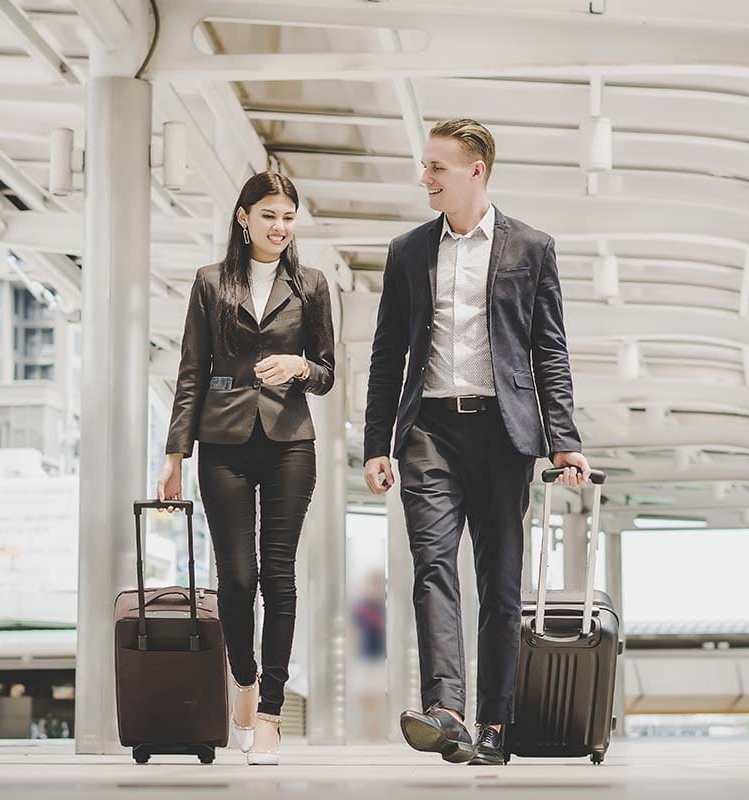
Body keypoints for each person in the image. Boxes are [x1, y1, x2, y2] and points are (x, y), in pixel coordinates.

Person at [363, 119, 589, 766]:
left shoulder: (532, 248)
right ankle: (448, 712)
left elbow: (550, 351)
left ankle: (494, 726)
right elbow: (386, 356)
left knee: (501, 582)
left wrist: (564, 441)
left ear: (476, 171)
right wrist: (378, 442)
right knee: (433, 568)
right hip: (428, 429)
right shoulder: (408, 250)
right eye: (425, 166)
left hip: (504, 432)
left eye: (437, 167)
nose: (425, 177)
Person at [156, 172, 335, 765]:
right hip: (223, 438)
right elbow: (190, 371)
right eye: (268, 216)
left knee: (278, 575)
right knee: (236, 577)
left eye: (288, 217)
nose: (279, 227)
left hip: (290, 440)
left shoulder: (311, 285)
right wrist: (174, 453)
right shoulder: (212, 283)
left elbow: (329, 372)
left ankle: (269, 716)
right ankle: (245, 677)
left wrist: (300, 366)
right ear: (243, 217)